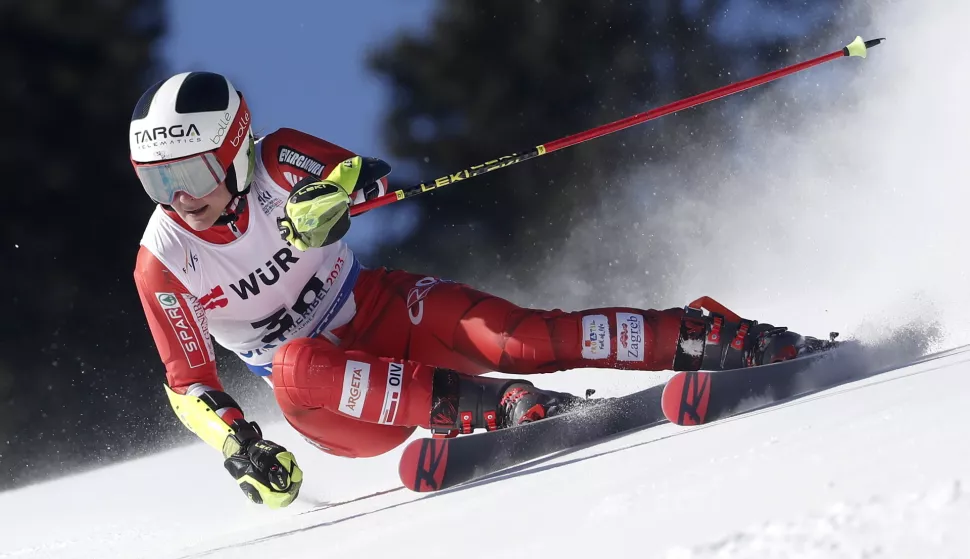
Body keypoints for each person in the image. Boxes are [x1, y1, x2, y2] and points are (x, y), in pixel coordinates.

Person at [131, 72, 830, 509]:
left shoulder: (278, 156)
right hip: (336, 398)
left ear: (234, 149)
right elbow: (187, 382)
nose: (177, 199)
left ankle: (706, 337)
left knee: (525, 336)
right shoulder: (164, 259)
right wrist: (241, 446)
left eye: (187, 174)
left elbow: (357, 171)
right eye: (156, 182)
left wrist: (328, 198)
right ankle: (492, 408)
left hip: (382, 307)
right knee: (290, 365)